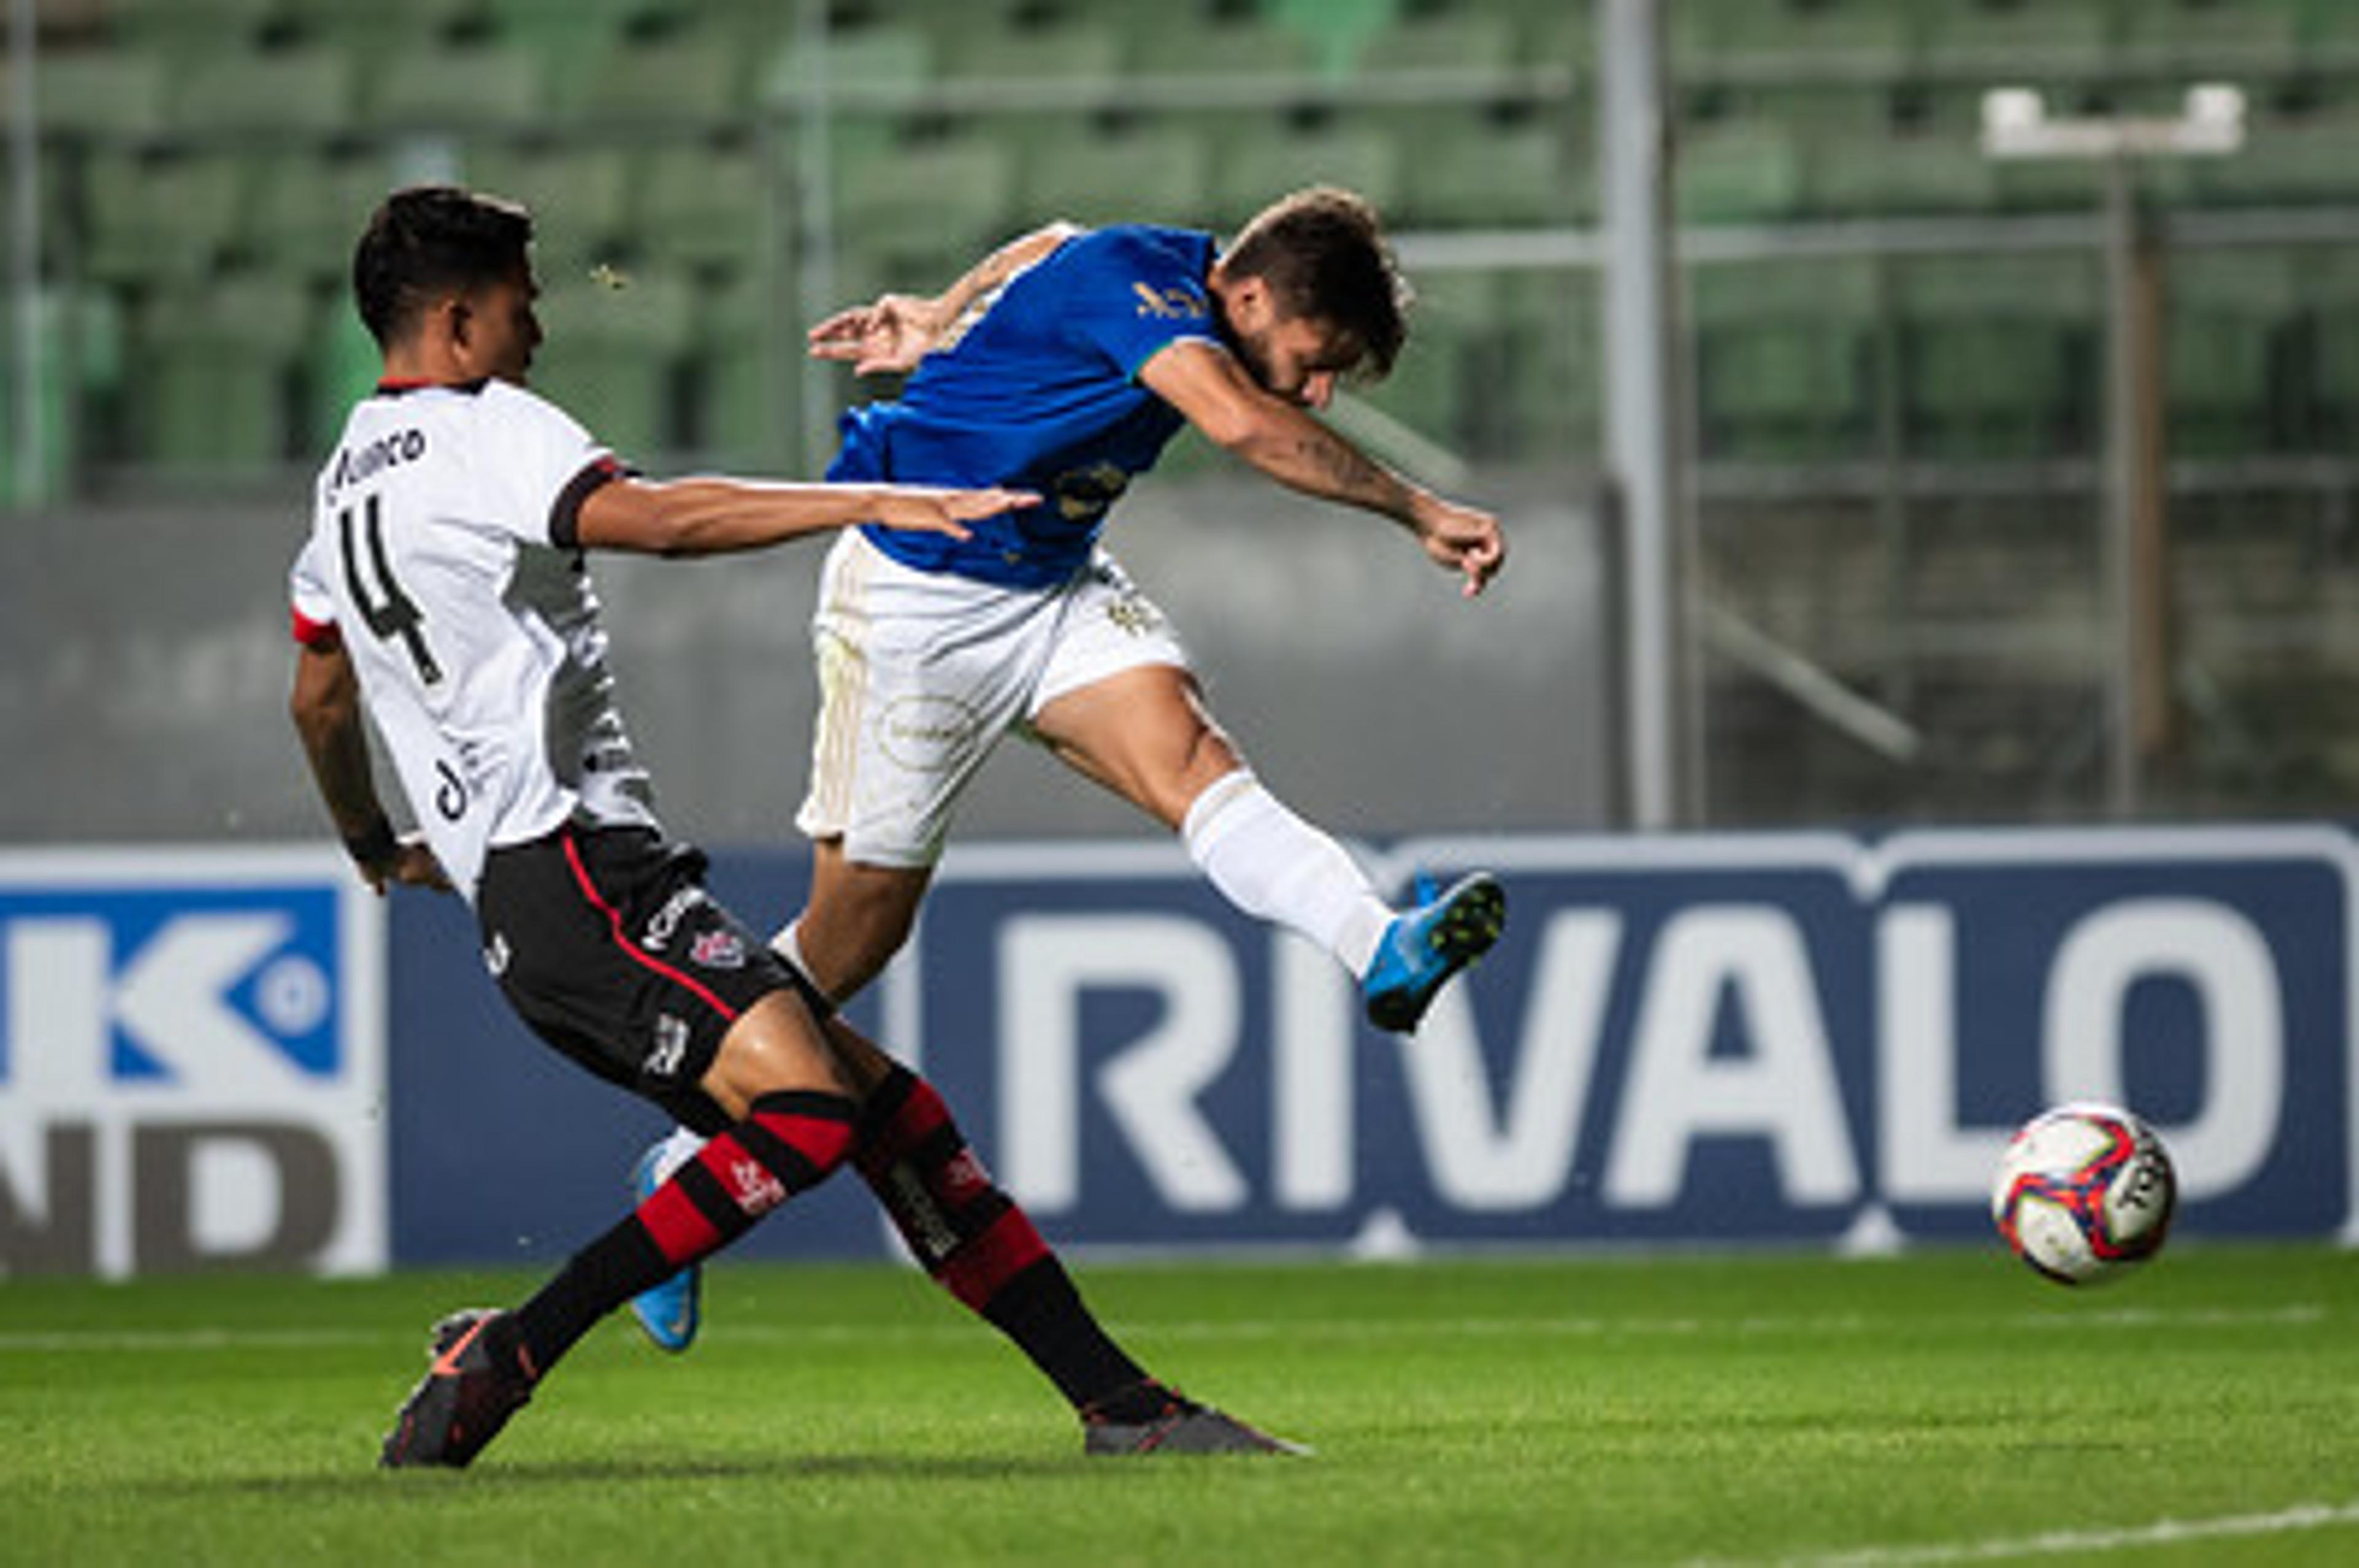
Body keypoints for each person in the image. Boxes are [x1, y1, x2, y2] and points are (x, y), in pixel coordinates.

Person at [292, 184, 1300, 1468]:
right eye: (520, 302)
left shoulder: (337, 490)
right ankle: (510, 1352)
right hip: (578, 875)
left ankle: (1124, 1405)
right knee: (811, 1115)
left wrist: (372, 841)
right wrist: (868, 503)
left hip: (546, 892)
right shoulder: (484, 431)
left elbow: (318, 694)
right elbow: (659, 521)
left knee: (897, 1121)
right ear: (456, 318)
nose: (537, 325)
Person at [628, 186, 1510, 1349]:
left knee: (1193, 755)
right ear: (1248, 297)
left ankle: (1375, 944)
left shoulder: (1150, 264)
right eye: (1313, 358)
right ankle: (684, 1158)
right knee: (855, 934)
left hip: (1049, 586)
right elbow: (1246, 428)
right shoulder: (1143, 297)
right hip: (915, 599)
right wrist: (1415, 506)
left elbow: (1041, 241)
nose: (1314, 390)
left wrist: (942, 316)